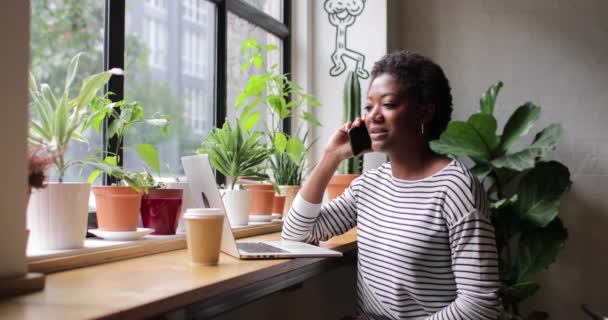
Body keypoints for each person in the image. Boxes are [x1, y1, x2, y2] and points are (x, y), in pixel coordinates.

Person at [282, 51, 501, 320]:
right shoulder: (370, 186)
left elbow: (480, 305)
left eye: (388, 104)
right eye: (368, 107)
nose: (373, 116)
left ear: (425, 111)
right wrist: (332, 157)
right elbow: (296, 233)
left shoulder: (456, 189)